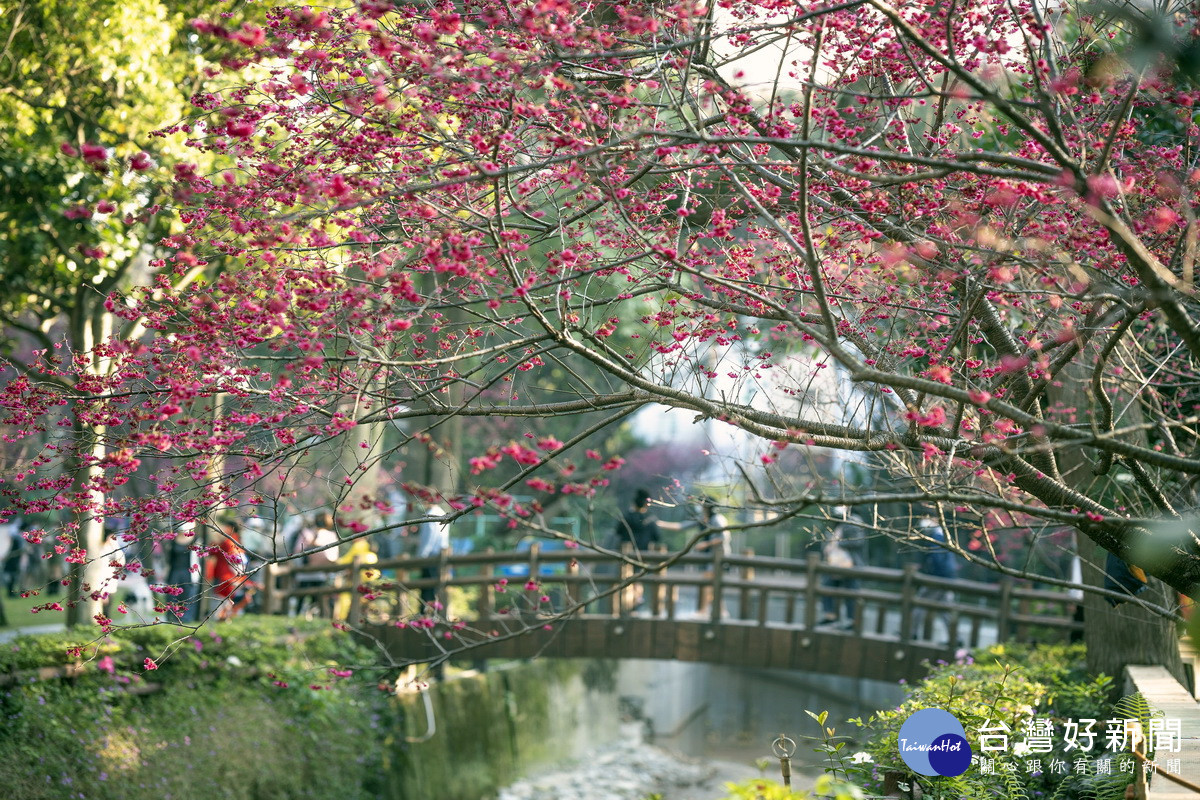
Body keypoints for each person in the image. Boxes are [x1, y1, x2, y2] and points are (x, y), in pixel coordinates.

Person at [911, 516, 959, 642]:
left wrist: (929, 573)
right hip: (948, 576)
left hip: (938, 577)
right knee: (945, 609)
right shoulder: (942, 534)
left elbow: (936, 559)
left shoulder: (936, 537)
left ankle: (911, 632)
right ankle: (955, 637)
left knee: (920, 602)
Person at [820, 507, 868, 628]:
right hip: (838, 563)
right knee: (828, 587)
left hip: (850, 564)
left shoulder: (853, 521)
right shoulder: (841, 523)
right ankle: (831, 616)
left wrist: (838, 543)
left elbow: (858, 542)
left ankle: (852, 621)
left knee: (850, 593)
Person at [291, 511, 339, 618]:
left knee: (301, 599)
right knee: (319, 600)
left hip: (304, 573)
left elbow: (297, 552)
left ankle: (296, 619)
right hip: (321, 573)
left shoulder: (305, 533)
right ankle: (320, 621)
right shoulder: (331, 536)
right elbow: (333, 557)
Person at [694, 497, 730, 616]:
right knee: (714, 585)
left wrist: (706, 544)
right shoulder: (706, 519)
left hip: (717, 556)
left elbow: (723, 537)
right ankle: (722, 611)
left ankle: (703, 611)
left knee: (707, 584)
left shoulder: (718, 519)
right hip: (711, 556)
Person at [414, 502, 449, 609]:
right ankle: (435, 610)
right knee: (436, 585)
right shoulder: (441, 512)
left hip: (430, 555)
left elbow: (428, 538)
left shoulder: (431, 514)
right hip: (440, 552)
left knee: (427, 586)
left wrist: (421, 555)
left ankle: (425, 611)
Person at [165, 523, 200, 623]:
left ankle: (186, 619)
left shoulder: (196, 540)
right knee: (172, 595)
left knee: (189, 595)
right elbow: (168, 558)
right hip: (175, 571)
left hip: (189, 572)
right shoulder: (172, 541)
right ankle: (171, 618)